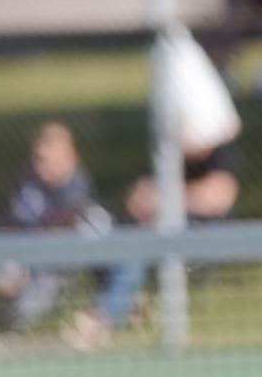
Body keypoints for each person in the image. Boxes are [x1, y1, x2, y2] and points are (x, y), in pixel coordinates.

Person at [66, 33, 243, 350]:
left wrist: (170, 200)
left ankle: (102, 318)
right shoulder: (171, 153)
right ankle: (127, 300)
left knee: (139, 246)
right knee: (102, 229)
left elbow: (219, 197)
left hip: (199, 232)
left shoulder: (220, 154)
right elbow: (145, 192)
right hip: (154, 226)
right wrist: (144, 198)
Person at [0, 122, 107, 331]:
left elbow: (65, 225)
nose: (40, 166)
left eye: (47, 159)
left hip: (58, 258)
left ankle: (17, 323)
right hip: (25, 248)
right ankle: (5, 319)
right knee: (7, 271)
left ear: (68, 157)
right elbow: (16, 220)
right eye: (37, 158)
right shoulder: (26, 181)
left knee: (25, 309)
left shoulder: (75, 185)